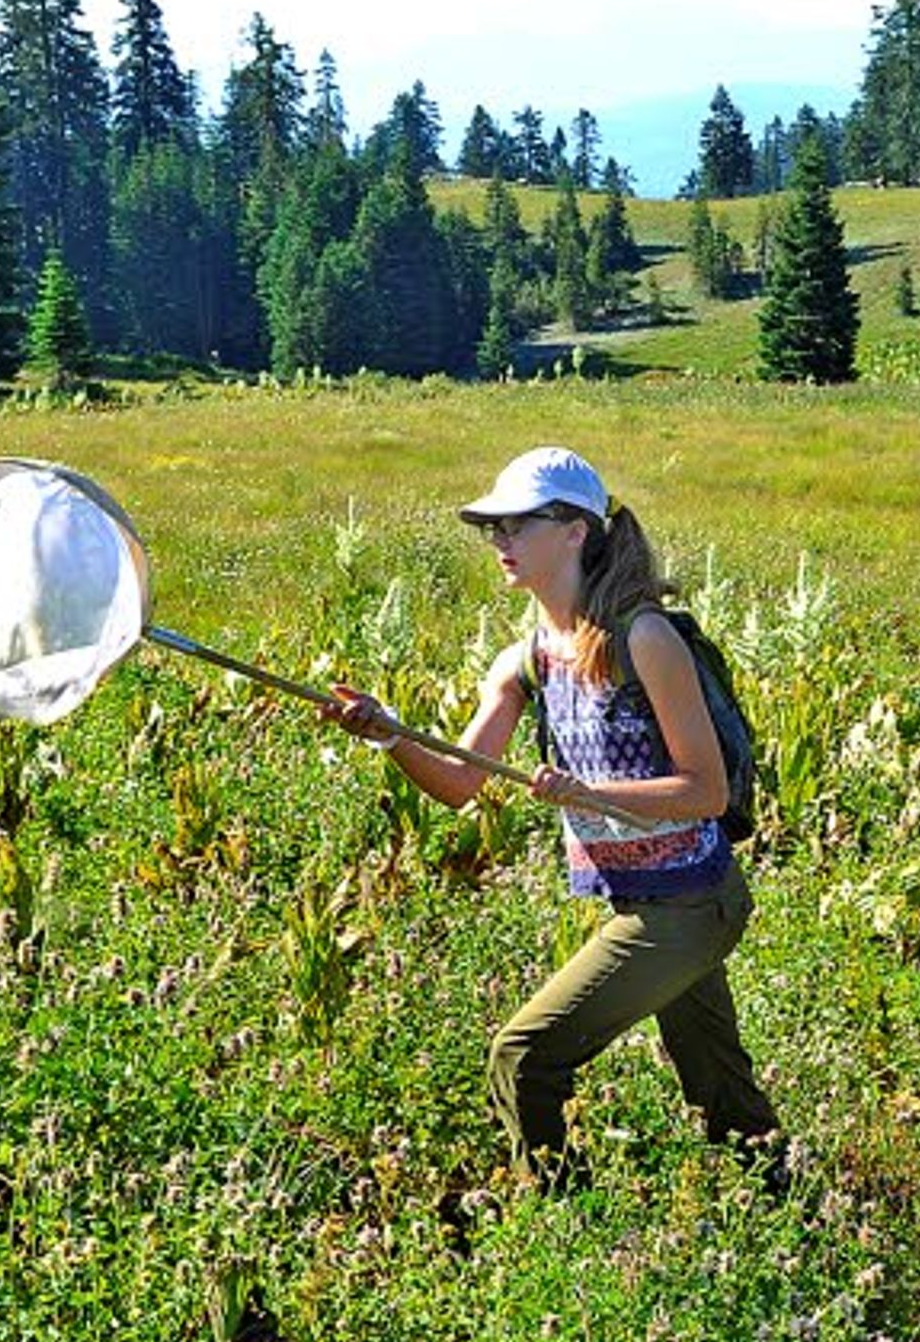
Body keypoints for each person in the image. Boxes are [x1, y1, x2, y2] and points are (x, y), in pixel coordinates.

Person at [323, 447, 780, 1180]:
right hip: (640, 901)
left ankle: (562, 1219)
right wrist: (389, 733)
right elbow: (455, 783)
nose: (499, 542)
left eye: (515, 525)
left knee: (524, 1055)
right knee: (724, 1099)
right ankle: (784, 1204)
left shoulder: (645, 639)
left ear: (574, 530)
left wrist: (590, 794)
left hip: (692, 902)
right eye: (491, 529)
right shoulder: (525, 659)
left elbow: (706, 792)